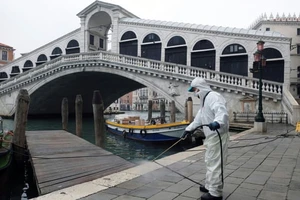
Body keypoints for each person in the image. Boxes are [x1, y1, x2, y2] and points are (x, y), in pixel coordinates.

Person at [183, 77, 229, 200]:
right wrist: (188, 129)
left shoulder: (213, 96)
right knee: (209, 161)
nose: (195, 93)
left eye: (195, 90)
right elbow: (199, 119)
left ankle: (215, 193)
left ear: (199, 89)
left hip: (217, 135)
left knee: (215, 163)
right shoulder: (204, 102)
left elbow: (221, 111)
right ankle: (210, 185)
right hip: (210, 137)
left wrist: (218, 122)